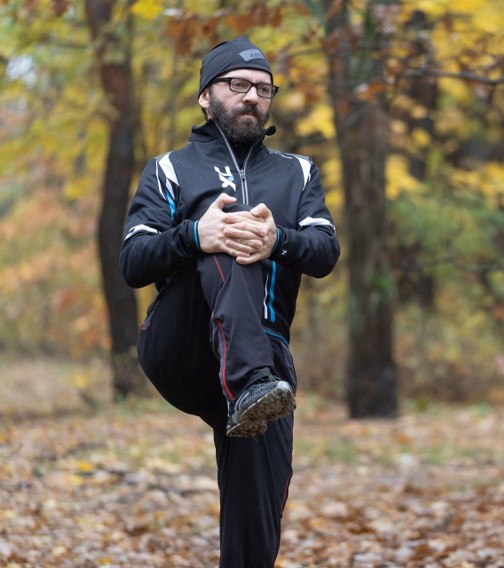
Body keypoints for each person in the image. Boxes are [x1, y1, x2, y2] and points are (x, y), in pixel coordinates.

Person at [120, 36, 340, 566]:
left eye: (263, 89)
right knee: (216, 235)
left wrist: (277, 241)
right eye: (237, 85)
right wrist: (195, 234)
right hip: (185, 343)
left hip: (266, 357)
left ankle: (252, 387)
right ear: (205, 95)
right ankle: (248, 382)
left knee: (255, 534)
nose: (251, 97)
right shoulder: (169, 169)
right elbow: (133, 260)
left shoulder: (299, 171)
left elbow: (326, 250)